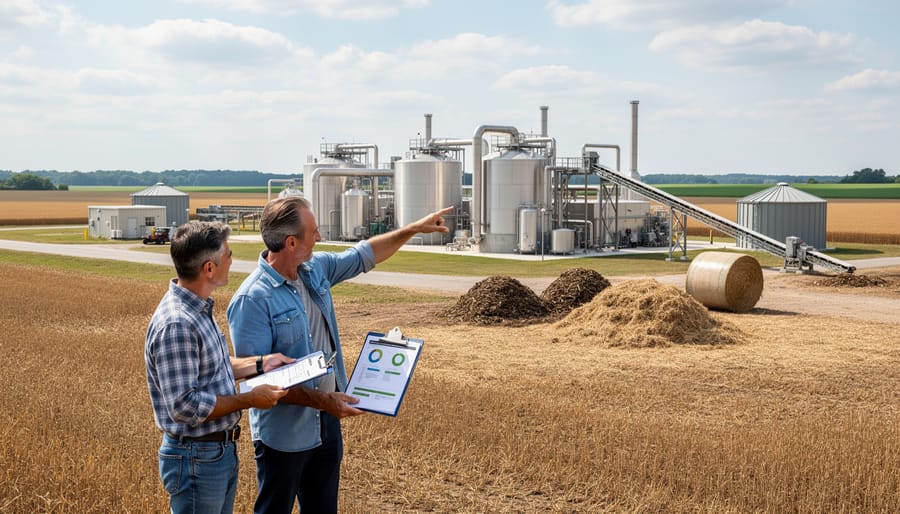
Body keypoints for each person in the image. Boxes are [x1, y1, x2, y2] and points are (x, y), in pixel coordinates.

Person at [227, 197, 452, 513]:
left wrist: (413, 229)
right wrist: (323, 401)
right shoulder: (251, 299)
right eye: (313, 232)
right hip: (285, 437)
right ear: (291, 243)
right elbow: (258, 384)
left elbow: (364, 255)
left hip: (326, 425)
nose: (319, 237)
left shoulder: (314, 269)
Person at [145, 221, 294, 514]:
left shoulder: (198, 309)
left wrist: (261, 363)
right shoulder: (178, 324)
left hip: (213, 452)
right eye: (228, 255)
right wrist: (249, 400)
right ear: (209, 269)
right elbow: (185, 405)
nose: (232, 260)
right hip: (196, 456)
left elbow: (215, 368)